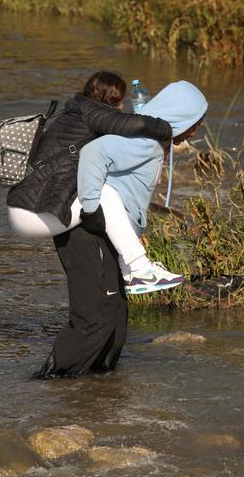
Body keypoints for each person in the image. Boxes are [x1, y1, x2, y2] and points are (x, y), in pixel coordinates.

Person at [36, 80, 208, 378]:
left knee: (114, 314)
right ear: (178, 117)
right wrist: (91, 209)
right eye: (193, 124)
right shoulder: (142, 140)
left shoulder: (149, 139)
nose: (194, 133)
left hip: (100, 231)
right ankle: (49, 384)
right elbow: (94, 154)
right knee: (95, 316)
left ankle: (99, 388)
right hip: (85, 231)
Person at [6, 71, 184, 294]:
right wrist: (166, 129)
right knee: (106, 193)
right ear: (114, 100)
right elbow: (134, 123)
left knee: (101, 190)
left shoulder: (74, 110)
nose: (122, 107)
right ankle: (140, 270)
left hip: (23, 208)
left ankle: (130, 270)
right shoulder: (90, 113)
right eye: (121, 102)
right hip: (32, 215)